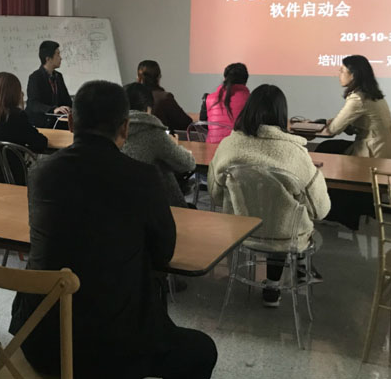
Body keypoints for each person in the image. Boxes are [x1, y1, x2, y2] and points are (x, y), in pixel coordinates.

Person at [9, 80, 217, 379]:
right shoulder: (142, 177)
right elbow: (163, 253)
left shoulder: (41, 172)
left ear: (71, 122)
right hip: (114, 349)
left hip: (40, 337)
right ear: (125, 127)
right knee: (202, 350)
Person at [208, 84, 331, 307]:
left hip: (240, 233)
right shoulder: (295, 153)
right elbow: (320, 210)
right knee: (287, 218)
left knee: (275, 218)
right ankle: (274, 286)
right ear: (282, 115)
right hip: (284, 239)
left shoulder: (228, 146)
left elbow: (215, 195)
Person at [122, 82, 195, 208]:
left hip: (125, 204)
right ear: (148, 108)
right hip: (158, 206)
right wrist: (174, 145)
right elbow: (187, 164)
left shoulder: (112, 131)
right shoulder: (151, 131)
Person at [325, 55, 391, 159]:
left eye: (342, 71)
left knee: (325, 148)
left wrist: (330, 123)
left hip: (373, 153)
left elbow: (333, 129)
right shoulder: (373, 95)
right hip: (385, 149)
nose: (339, 75)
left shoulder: (358, 98)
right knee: (329, 146)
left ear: (353, 75)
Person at [26, 41, 72, 128]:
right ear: (48, 59)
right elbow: (33, 103)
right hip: (41, 123)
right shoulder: (35, 77)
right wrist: (53, 109)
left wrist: (73, 108)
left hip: (57, 121)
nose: (61, 58)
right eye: (57, 54)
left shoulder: (58, 76)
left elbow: (67, 101)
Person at [137, 60, 192, 131]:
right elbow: (186, 124)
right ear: (158, 77)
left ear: (138, 78)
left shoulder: (130, 96)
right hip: (160, 137)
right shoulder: (164, 97)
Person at [204, 63, 250, 143]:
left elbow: (203, 125)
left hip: (212, 148)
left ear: (225, 78)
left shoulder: (209, 98)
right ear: (245, 81)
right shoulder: (250, 100)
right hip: (238, 147)